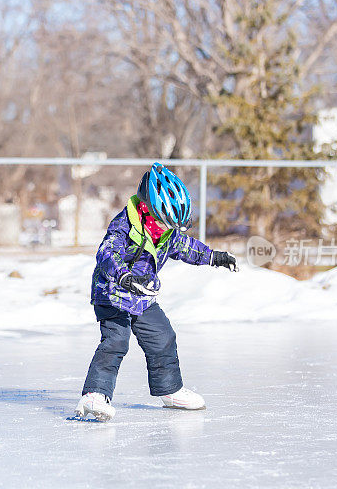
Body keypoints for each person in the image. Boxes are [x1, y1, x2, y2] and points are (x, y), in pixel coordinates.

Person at [75, 162, 238, 421]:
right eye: (165, 223)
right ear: (147, 210)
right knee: (116, 341)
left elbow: (186, 246)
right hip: (112, 293)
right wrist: (123, 276)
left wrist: (214, 257)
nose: (169, 230)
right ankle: (94, 395)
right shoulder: (124, 226)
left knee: (163, 337)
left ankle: (170, 390)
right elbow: (107, 253)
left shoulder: (167, 233)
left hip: (142, 295)